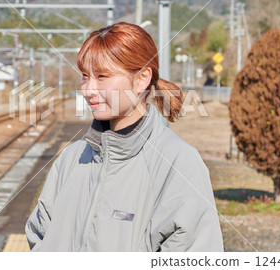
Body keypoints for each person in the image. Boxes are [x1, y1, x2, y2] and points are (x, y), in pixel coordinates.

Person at [25, 22, 224, 252]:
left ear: (141, 79)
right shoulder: (70, 159)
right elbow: (39, 237)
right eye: (85, 76)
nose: (88, 89)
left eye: (102, 76)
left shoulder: (179, 163)